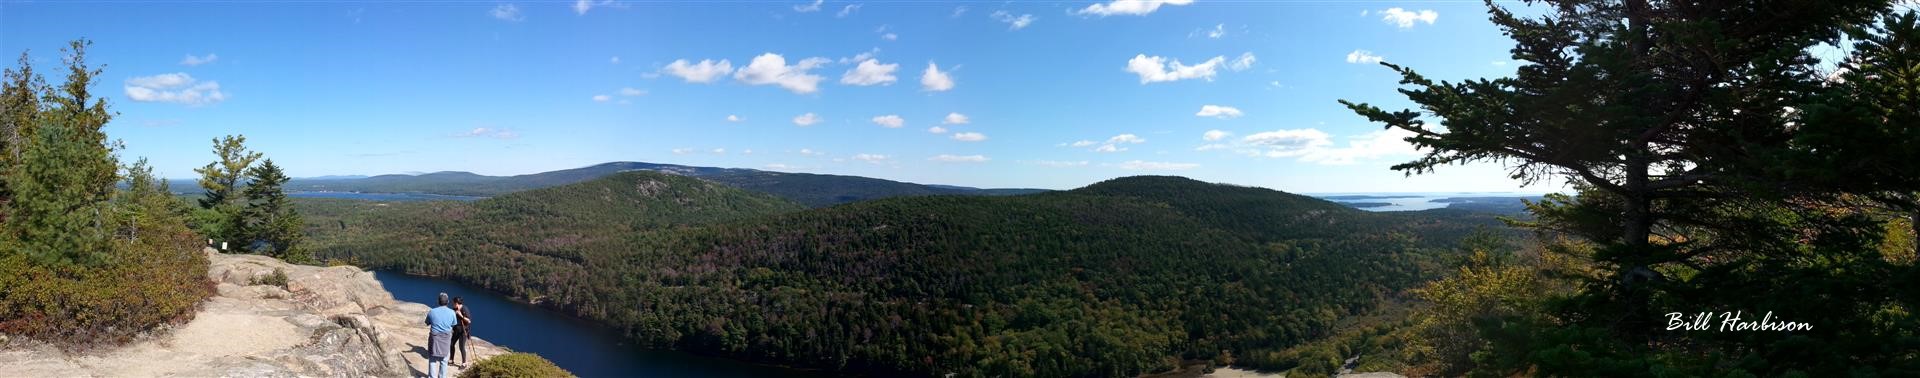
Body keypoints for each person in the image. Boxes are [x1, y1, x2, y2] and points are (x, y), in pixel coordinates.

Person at [424, 293, 457, 378]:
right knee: (444, 360)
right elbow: (454, 324)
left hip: (434, 339)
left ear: (438, 301)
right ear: (448, 302)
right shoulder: (452, 312)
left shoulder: (432, 311)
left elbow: (427, 322)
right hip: (446, 339)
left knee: (432, 359)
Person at [451, 296, 473, 366]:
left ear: (456, 303)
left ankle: (464, 363)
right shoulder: (454, 309)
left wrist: (461, 315)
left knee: (461, 347)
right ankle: (451, 359)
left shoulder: (465, 309)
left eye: (453, 303)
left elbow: (469, 321)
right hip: (456, 330)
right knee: (451, 344)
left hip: (463, 331)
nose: (452, 304)